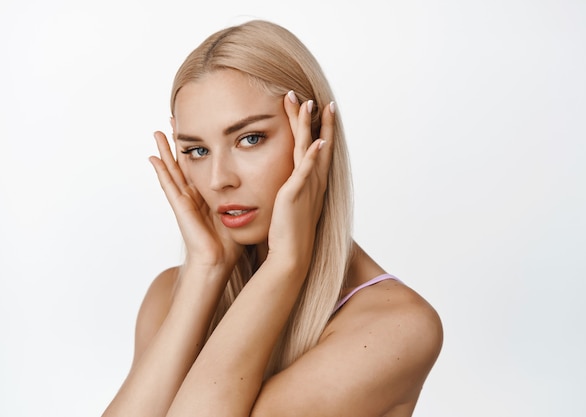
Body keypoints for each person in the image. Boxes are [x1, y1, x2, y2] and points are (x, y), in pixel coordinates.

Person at [103, 19, 442, 417]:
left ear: (314, 137)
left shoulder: (396, 327)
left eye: (249, 139)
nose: (219, 180)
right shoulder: (170, 295)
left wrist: (285, 264)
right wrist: (206, 270)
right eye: (197, 150)